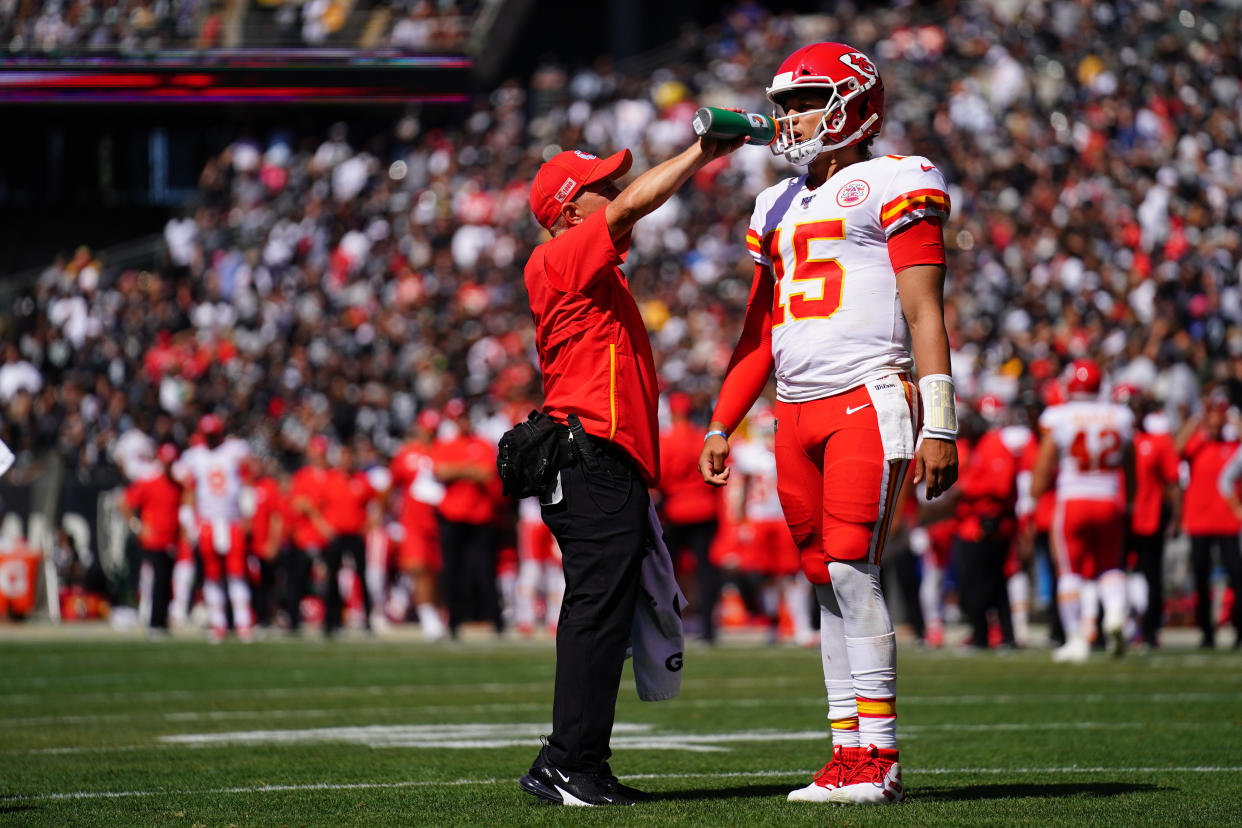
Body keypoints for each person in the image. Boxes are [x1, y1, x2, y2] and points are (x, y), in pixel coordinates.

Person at [699, 42, 958, 806]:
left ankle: (878, 755)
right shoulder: (774, 204)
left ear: (855, 101)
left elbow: (923, 310)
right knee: (821, 578)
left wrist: (940, 420)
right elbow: (757, 332)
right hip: (794, 412)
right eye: (783, 104)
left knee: (851, 567)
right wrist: (720, 422)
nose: (791, 117)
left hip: (867, 396)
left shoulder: (896, 179)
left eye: (807, 99)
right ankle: (845, 751)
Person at [517, 133, 743, 807]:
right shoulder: (559, 256)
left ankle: (579, 760)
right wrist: (703, 151)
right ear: (568, 211)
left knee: (608, 614)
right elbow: (631, 212)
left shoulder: (590, 270)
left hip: (600, 460)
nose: (616, 194)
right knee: (597, 611)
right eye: (601, 187)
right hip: (590, 456)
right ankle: (567, 763)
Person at [1030, 359, 1135, 662]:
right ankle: (1115, 614)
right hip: (1108, 497)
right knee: (1110, 566)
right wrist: (1130, 499)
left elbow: (1044, 462)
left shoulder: (1060, 416)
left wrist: (1033, 497)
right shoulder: (1119, 415)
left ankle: (1076, 639)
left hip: (1073, 498)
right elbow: (1129, 462)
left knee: (1069, 570)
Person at [173, 414, 255, 642]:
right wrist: (188, 521)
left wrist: (248, 513)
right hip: (207, 521)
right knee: (212, 575)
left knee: (237, 573)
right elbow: (188, 488)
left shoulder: (234, 449)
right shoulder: (194, 456)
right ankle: (219, 623)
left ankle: (242, 622)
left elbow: (248, 479)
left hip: (232, 520)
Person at [433, 397, 503, 638]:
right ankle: (454, 620)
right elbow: (440, 471)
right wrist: (468, 469)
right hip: (452, 515)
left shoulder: (482, 444)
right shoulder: (446, 444)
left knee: (484, 570)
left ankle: (494, 618)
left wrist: (458, 470)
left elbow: (486, 474)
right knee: (453, 570)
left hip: (479, 516)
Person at [656, 391, 723, 642]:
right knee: (706, 572)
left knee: (667, 572)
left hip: (675, 513)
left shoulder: (666, 440)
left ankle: (668, 626)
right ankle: (708, 630)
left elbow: (658, 478)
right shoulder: (702, 439)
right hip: (705, 510)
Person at [1115, 385, 1179, 649]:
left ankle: (1151, 630)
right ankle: (1111, 625)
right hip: (1117, 518)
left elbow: (1173, 481)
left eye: (1137, 407)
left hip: (1149, 517)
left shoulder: (1158, 441)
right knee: (1113, 574)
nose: (1133, 413)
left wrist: (1175, 517)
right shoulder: (1113, 441)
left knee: (1152, 576)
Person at [1178, 391, 1242, 648]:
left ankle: (1239, 629)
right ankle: (1206, 631)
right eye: (1212, 414)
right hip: (1199, 520)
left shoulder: (1233, 444)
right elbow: (1177, 448)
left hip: (1228, 521)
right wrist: (1196, 420)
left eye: (1219, 414)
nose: (1216, 421)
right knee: (1201, 576)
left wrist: (1236, 423)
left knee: (1237, 577)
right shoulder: (1197, 442)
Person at [389, 409, 447, 639]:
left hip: (440, 521)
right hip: (413, 521)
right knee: (418, 569)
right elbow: (391, 485)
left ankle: (439, 614)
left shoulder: (443, 451)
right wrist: (387, 515)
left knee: (437, 571)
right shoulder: (406, 454)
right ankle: (428, 618)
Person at [119, 443, 183, 636]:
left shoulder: (177, 486)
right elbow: (125, 503)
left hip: (170, 542)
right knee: (156, 581)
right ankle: (154, 622)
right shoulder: (150, 483)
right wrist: (137, 526)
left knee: (166, 582)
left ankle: (162, 621)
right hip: (153, 541)